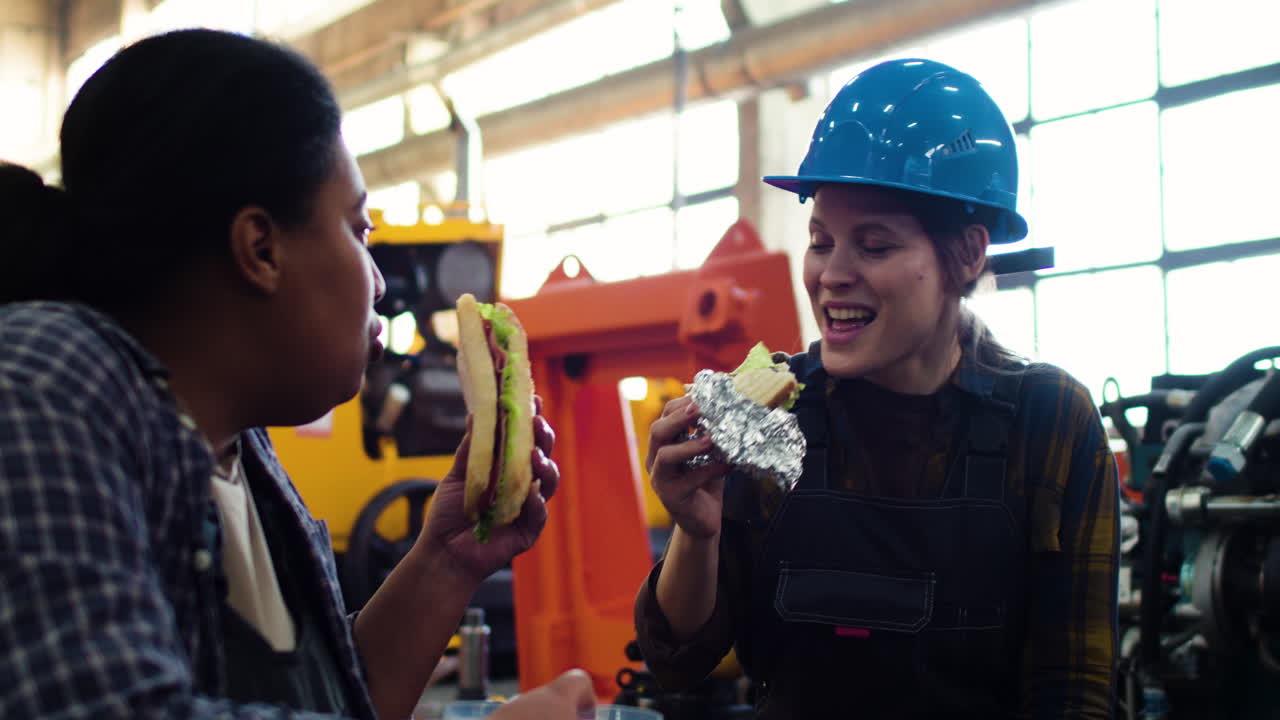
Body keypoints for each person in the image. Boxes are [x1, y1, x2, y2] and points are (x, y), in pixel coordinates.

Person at [0, 29, 593, 720]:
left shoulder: (241, 450)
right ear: (260, 248)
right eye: (357, 226)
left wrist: (446, 560)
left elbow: (329, 705)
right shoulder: (39, 382)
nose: (376, 281)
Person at [635, 59, 1119, 718]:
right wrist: (696, 534)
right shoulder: (770, 413)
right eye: (821, 241)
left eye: (874, 246)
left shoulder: (1048, 422)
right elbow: (680, 659)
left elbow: (1074, 695)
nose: (831, 275)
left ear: (968, 255)